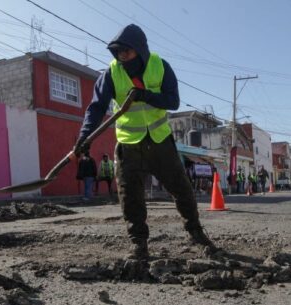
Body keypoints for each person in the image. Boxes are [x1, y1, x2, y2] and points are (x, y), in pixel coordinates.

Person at [74, 24, 218, 259]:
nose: (122, 57)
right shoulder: (111, 73)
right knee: (130, 196)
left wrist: (145, 95)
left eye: (127, 52)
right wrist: (84, 136)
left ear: (140, 51)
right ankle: (139, 244)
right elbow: (96, 107)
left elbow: (173, 102)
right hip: (129, 144)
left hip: (160, 142)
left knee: (182, 190)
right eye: (118, 53)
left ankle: (197, 234)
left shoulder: (160, 67)